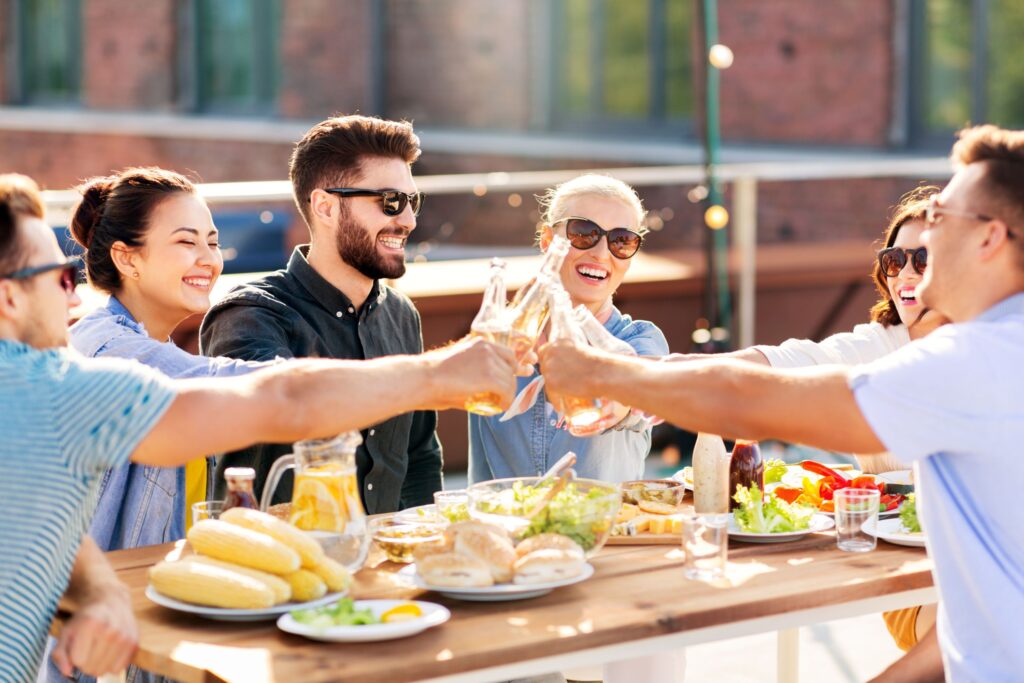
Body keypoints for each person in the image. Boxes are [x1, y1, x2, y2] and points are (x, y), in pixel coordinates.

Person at [538, 124, 1024, 682]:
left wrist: (602, 371)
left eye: (940, 219)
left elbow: (751, 399)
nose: (922, 242)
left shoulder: (974, 361)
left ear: (988, 239)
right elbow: (980, 625)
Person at [0, 173, 517, 682]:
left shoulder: (57, 377)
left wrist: (100, 591)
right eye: (60, 278)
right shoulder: (70, 374)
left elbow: (54, 513)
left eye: (213, 241)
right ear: (10, 297)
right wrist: (440, 374)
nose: (74, 298)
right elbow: (279, 398)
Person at [201, 114, 442, 514]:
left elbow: (419, 457)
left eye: (412, 201)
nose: (409, 220)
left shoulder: (402, 314)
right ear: (326, 207)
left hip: (382, 564)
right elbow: (284, 404)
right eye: (390, 202)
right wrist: (436, 375)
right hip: (276, 565)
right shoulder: (250, 315)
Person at [469, 174, 668, 484]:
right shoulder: (496, 337)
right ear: (549, 241)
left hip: (600, 531)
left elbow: (619, 402)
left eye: (621, 240)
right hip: (503, 528)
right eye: (583, 233)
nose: (602, 254)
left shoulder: (641, 342)